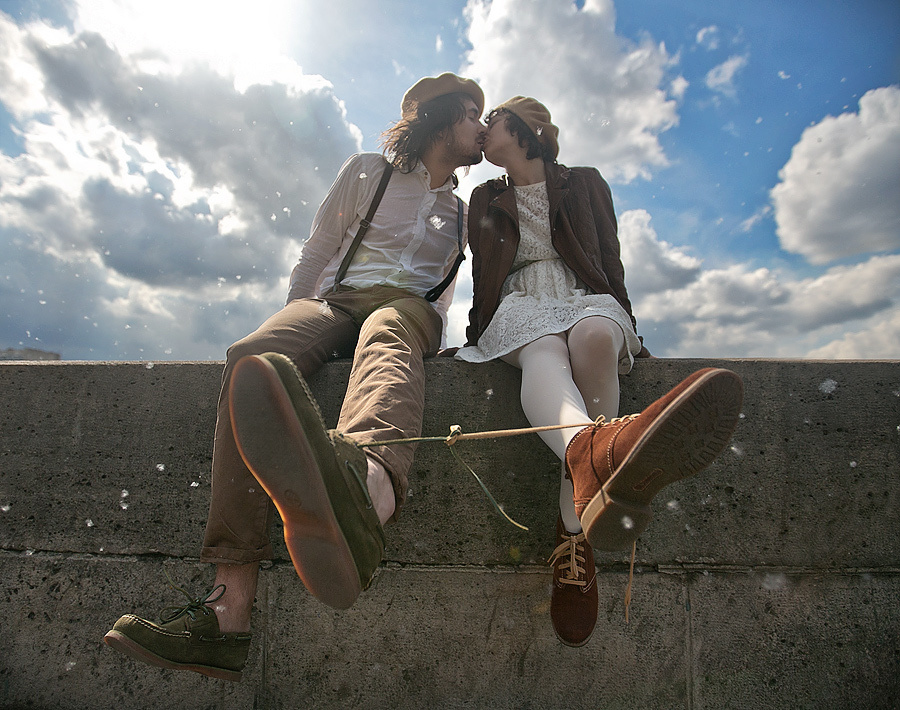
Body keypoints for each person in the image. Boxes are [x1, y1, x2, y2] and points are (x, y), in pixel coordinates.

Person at [103, 73, 487, 681]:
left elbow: (443, 296)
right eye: (471, 113)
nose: (481, 126)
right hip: (336, 299)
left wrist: (431, 331)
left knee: (389, 337)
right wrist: (299, 330)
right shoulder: (368, 171)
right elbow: (316, 252)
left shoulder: (463, 214)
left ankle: (365, 493)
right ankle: (227, 611)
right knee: (252, 357)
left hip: (405, 309)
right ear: (441, 119)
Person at [456, 97, 742, 646]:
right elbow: (484, 274)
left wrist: (627, 320)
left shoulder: (585, 182)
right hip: (520, 302)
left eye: (494, 120)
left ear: (523, 128)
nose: (484, 129)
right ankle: (584, 507)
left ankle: (578, 504)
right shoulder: (486, 196)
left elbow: (609, 257)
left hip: (586, 294)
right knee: (541, 350)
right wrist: (474, 335)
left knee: (593, 339)